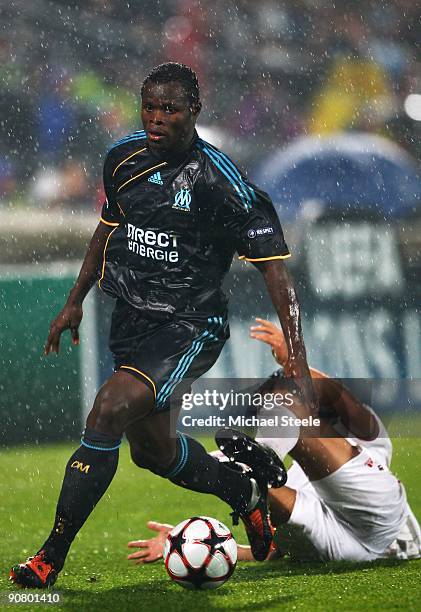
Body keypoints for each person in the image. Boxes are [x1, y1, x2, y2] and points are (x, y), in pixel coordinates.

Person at [10, 63, 314, 588]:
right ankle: (244, 493)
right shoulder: (122, 158)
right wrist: (74, 301)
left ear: (194, 111)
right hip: (130, 321)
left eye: (169, 109)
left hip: (190, 326)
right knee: (153, 452)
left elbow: (277, 274)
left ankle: (49, 557)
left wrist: (300, 362)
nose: (156, 119)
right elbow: (105, 230)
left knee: (107, 410)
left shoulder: (224, 183)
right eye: (149, 107)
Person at [126, 319, 421, 565]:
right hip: (340, 546)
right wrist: (184, 543)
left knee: (248, 467)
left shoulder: (367, 437)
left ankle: (260, 464)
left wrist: (295, 365)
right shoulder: (292, 470)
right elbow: (268, 551)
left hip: (384, 527)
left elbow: (333, 393)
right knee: (252, 484)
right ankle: (257, 472)